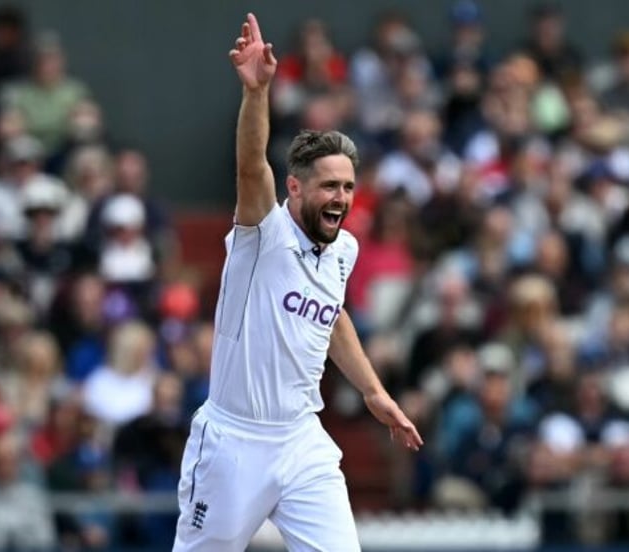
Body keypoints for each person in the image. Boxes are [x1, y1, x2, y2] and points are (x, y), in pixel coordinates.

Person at [172, 13, 423, 552]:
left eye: (349, 186)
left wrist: (374, 392)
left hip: (301, 437)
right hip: (233, 442)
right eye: (329, 186)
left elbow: (330, 316)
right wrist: (257, 93)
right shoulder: (263, 232)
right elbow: (248, 169)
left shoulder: (345, 249)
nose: (342, 198)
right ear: (295, 187)